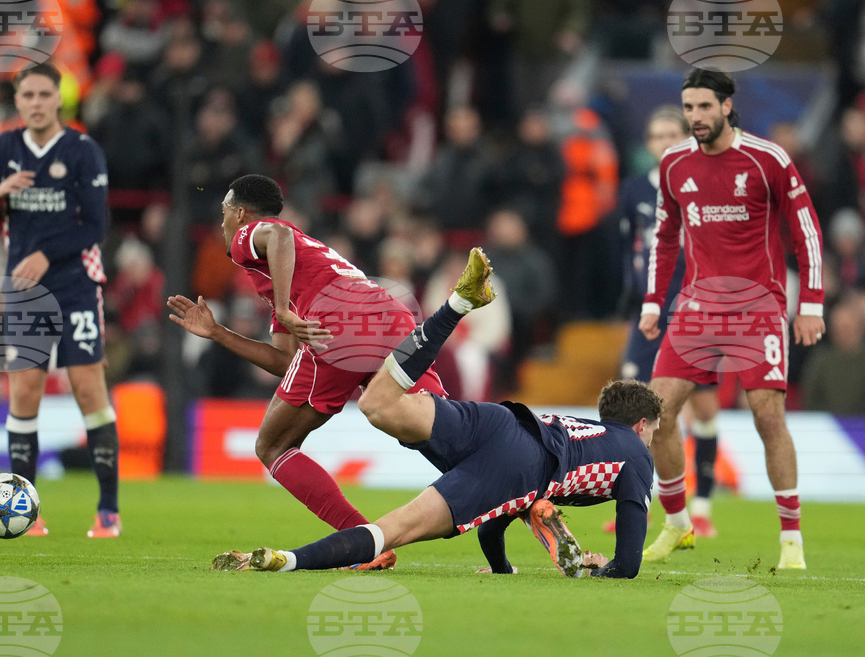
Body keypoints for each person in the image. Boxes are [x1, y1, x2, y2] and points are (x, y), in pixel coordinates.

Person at [211, 249, 662, 579]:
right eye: (654, 433)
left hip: (504, 423)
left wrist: (502, 569)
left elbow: (493, 518)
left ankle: (455, 307)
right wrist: (605, 569)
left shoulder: (591, 431)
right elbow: (629, 565)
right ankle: (285, 559)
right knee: (392, 530)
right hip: (522, 470)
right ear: (641, 426)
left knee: (377, 404)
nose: (653, 443)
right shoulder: (637, 458)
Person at [166, 174, 445, 570]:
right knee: (444, 431)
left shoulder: (254, 237)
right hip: (387, 317)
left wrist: (283, 308)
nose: (222, 223)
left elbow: (276, 237)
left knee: (272, 447)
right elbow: (283, 361)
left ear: (240, 213)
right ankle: (521, 500)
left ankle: (365, 541)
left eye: (224, 213)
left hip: (338, 321)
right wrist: (217, 333)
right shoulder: (298, 265)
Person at [640, 69, 826, 569]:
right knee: (654, 413)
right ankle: (679, 524)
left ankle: (791, 539)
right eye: (689, 108)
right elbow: (664, 236)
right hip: (698, 307)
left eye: (704, 107)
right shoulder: (674, 163)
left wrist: (810, 303)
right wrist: (653, 302)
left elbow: (805, 232)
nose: (695, 117)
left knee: (768, 415)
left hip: (758, 305)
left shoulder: (768, 159)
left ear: (726, 106)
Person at [0, 63, 121, 538]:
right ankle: (26, 510)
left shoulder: (82, 151)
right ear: (18, 99)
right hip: (26, 293)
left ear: (58, 99)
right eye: (26, 94)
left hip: (75, 285)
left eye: (42, 94)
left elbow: (96, 227)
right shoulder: (5, 147)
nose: (34, 102)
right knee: (24, 391)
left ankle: (108, 509)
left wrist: (46, 255)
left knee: (88, 389)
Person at [615, 105, 721, 539]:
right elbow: (629, 248)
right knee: (635, 410)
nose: (662, 143)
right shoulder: (634, 189)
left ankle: (703, 507)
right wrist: (632, 294)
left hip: (693, 311)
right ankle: (639, 505)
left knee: (703, 410)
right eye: (655, 136)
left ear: (685, 140)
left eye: (670, 135)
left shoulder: (701, 187)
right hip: (650, 312)